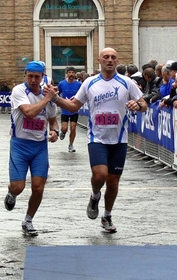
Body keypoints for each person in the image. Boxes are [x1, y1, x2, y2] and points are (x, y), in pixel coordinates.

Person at [47, 47, 147, 233]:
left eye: (113, 58)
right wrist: (56, 99)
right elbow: (74, 105)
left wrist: (138, 104)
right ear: (99, 60)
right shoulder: (89, 83)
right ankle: (94, 195)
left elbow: (144, 104)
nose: (110, 60)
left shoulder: (127, 82)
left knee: (113, 182)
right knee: (100, 175)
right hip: (97, 138)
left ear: (117, 61)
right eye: (106, 57)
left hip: (119, 138)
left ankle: (107, 216)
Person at [4, 61, 59, 236]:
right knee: (18, 187)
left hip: (39, 147)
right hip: (20, 145)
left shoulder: (48, 96)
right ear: (25, 75)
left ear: (42, 77)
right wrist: (47, 98)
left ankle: (28, 220)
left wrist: (55, 131)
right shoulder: (19, 91)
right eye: (30, 76)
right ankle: (11, 193)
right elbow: (29, 112)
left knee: (38, 187)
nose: (33, 80)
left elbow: (53, 120)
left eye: (37, 77)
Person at [57, 66, 82, 152]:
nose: (71, 74)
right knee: (64, 128)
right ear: (67, 74)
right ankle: (63, 132)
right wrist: (60, 102)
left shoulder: (79, 84)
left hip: (74, 109)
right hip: (65, 109)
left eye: (72, 73)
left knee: (73, 127)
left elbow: (82, 95)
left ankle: (71, 145)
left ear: (75, 74)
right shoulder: (62, 83)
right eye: (69, 72)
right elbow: (57, 93)